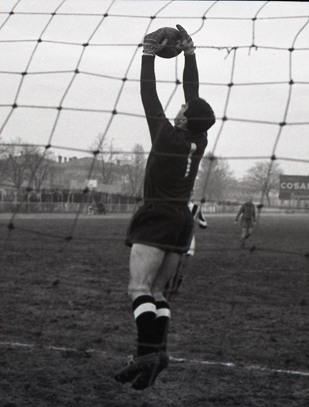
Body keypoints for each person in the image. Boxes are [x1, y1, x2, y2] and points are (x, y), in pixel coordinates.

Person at [115, 25, 215, 391]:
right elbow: (194, 95)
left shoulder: (166, 136)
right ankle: (158, 353)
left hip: (156, 215)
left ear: (184, 119)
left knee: (138, 288)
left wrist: (147, 54)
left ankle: (146, 354)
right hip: (181, 222)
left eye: (183, 109)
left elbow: (149, 94)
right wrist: (189, 55)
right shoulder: (199, 139)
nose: (181, 106)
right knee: (158, 292)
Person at [163, 200, 208, 299]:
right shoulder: (174, 204)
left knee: (181, 266)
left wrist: (198, 221)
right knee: (170, 265)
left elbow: (205, 224)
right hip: (173, 239)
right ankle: (165, 287)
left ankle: (174, 288)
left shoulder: (196, 208)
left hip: (188, 240)